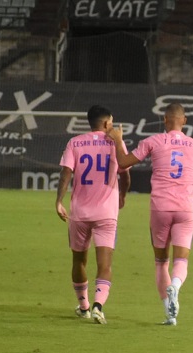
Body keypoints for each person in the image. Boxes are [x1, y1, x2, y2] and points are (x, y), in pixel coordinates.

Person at [111, 102, 193, 326]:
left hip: (160, 208)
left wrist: (117, 140)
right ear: (185, 121)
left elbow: (123, 163)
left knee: (161, 262)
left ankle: (169, 314)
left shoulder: (153, 141)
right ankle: (176, 286)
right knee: (182, 259)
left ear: (164, 120)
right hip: (186, 209)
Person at [55, 105, 131, 324]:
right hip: (107, 213)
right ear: (107, 123)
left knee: (79, 261)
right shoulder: (116, 142)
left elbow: (65, 173)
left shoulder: (75, 142)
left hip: (79, 212)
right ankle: (98, 306)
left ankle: (84, 306)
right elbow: (125, 174)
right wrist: (123, 196)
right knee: (104, 264)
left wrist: (59, 201)